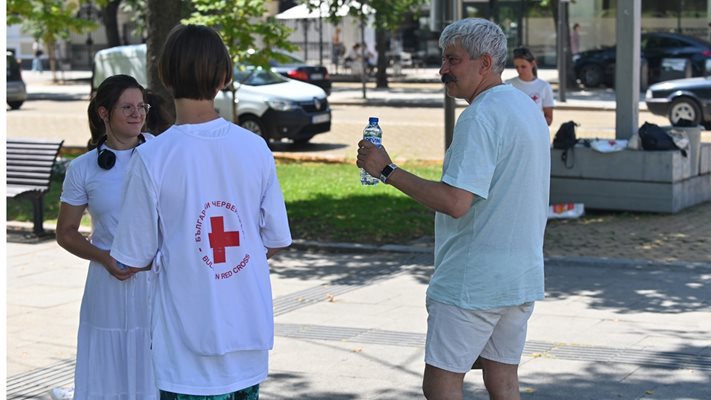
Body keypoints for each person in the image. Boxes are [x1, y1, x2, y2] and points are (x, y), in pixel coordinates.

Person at [356, 18, 550, 400]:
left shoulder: (480, 116)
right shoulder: (525, 107)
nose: (442, 69)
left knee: (441, 383)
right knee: (504, 379)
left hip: (473, 281)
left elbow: (455, 202)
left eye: (452, 60)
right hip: (519, 275)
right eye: (443, 59)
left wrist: (386, 170)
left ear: (484, 63)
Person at [110, 24, 292, 399]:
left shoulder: (151, 157)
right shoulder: (255, 147)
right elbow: (273, 238)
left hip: (184, 346)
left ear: (163, 77)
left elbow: (134, 255)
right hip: (246, 333)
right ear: (224, 77)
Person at [54, 74, 158, 400]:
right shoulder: (83, 169)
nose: (137, 114)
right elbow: (66, 232)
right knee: (107, 370)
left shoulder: (163, 152)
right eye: (126, 107)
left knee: (153, 360)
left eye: (141, 106)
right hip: (106, 283)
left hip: (156, 280)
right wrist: (103, 257)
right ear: (104, 113)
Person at [506, 47, 555, 126]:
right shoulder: (508, 85)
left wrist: (532, 124)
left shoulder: (544, 86)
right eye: (516, 67)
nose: (519, 70)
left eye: (523, 66)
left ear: (532, 64)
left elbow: (549, 118)